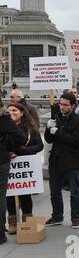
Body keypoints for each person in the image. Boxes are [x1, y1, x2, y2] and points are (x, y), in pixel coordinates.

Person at [44, 92, 79, 229]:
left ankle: (76, 218)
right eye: (61, 104)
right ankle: (57, 216)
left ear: (73, 106)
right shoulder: (56, 117)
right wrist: (48, 129)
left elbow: (75, 141)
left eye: (65, 105)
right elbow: (49, 139)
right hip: (56, 159)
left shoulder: (78, 121)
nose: (62, 107)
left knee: (75, 192)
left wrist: (58, 132)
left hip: (72, 161)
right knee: (54, 192)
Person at [5, 103, 44, 234]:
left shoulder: (30, 129)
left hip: (25, 166)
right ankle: (12, 222)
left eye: (14, 110)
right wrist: (8, 153)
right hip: (8, 165)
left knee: (25, 194)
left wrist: (25, 150)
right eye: (9, 110)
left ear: (22, 113)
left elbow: (39, 146)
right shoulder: (4, 127)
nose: (11, 112)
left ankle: (27, 220)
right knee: (9, 195)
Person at [0, 98, 27, 244]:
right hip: (1, 160)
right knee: (0, 197)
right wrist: (7, 146)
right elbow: (21, 138)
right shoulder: (3, 117)